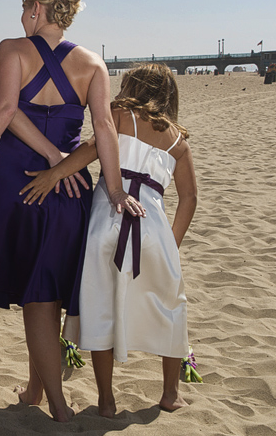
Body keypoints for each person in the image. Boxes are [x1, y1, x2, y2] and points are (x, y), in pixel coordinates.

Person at [0, 0, 140, 422]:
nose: (21, 17)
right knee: (48, 292)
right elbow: (105, 130)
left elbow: (4, 110)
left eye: (24, 9)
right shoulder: (93, 64)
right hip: (70, 185)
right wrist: (113, 189)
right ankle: (38, 391)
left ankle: (55, 403)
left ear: (37, 8)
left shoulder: (13, 49)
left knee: (37, 297)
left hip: (18, 181)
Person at [20, 62, 197, 416]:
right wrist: (170, 245)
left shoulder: (119, 114)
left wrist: (54, 174)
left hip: (108, 222)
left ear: (132, 86)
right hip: (153, 228)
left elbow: (91, 149)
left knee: (101, 306)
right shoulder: (178, 139)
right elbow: (190, 198)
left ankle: (106, 400)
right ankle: (170, 393)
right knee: (169, 305)